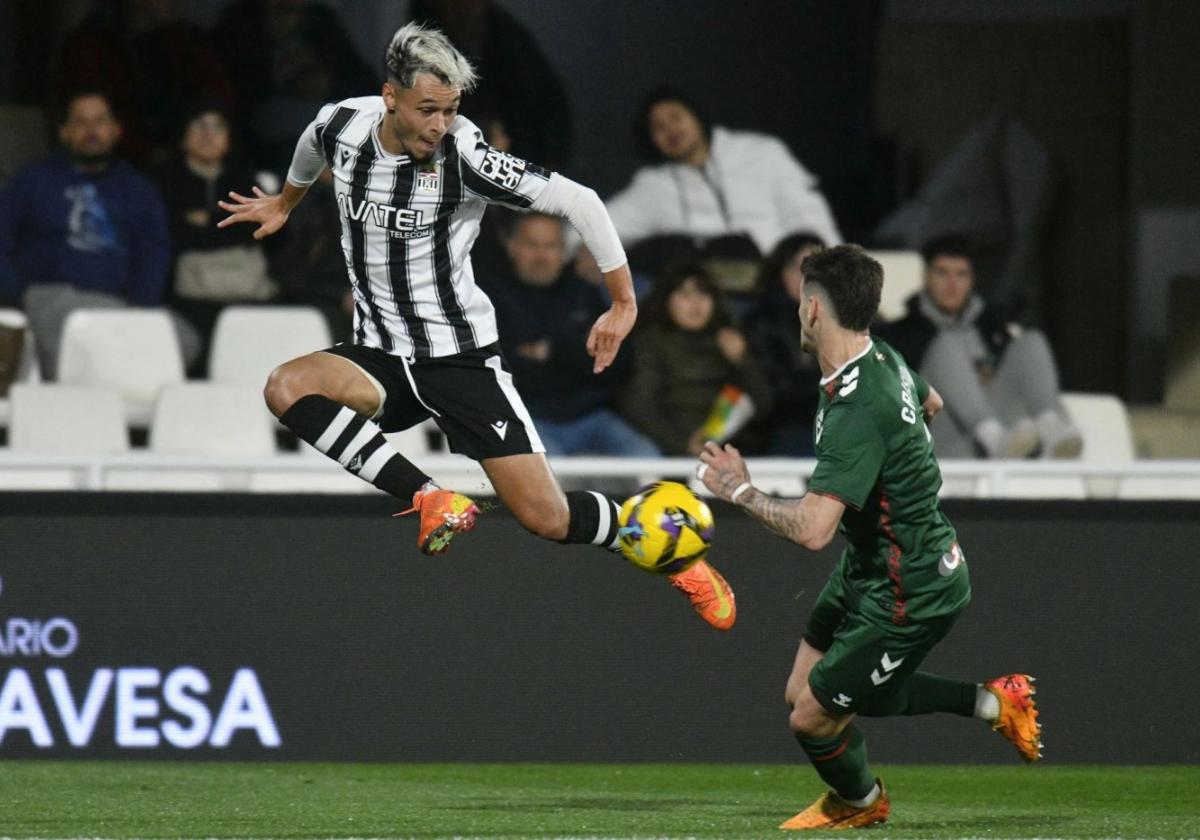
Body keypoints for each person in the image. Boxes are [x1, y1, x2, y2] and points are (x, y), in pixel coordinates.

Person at [216, 22, 735, 630]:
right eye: (428, 109)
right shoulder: (342, 126)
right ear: (390, 98)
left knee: (547, 518)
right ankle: (431, 497)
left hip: (459, 359)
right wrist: (286, 201)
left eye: (451, 109)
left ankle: (673, 558)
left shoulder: (466, 158)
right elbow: (310, 143)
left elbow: (582, 202)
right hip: (382, 355)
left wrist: (623, 302)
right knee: (286, 386)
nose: (440, 124)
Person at [695, 245, 1041, 830]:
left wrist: (738, 492)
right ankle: (993, 702)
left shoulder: (859, 406)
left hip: (912, 589)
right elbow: (929, 403)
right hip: (871, 562)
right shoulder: (878, 356)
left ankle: (860, 802)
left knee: (811, 718)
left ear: (811, 310)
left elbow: (810, 532)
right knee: (809, 690)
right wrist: (898, 464)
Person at [0, 91, 199, 377]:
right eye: (80, 122)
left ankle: (120, 409)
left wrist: (141, 306)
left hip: (118, 304)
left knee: (184, 339)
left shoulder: (137, 188)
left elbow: (152, 250)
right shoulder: (32, 181)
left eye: (100, 121)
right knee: (76, 344)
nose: (91, 131)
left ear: (116, 131)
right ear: (64, 133)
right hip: (51, 296)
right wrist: (19, 294)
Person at [878, 235, 1082, 459]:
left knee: (1031, 342)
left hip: (1006, 436)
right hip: (935, 436)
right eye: (942, 273)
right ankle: (992, 438)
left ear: (972, 280)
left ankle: (1051, 427)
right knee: (946, 344)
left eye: (961, 274)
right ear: (926, 277)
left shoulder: (992, 329)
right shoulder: (901, 333)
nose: (952, 284)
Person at [488, 212, 660, 457]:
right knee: (548, 477)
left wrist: (552, 351)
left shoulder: (584, 292)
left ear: (563, 249)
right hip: (527, 418)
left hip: (593, 416)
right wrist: (577, 353)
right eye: (532, 245)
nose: (541, 256)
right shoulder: (488, 298)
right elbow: (504, 370)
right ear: (511, 245)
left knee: (647, 458)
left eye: (550, 246)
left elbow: (617, 362)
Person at [605, 89, 842, 260]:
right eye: (658, 127)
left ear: (696, 117)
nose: (671, 130)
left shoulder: (762, 152)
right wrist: (582, 249)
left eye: (676, 117)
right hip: (708, 297)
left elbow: (808, 213)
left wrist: (831, 267)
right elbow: (601, 223)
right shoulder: (654, 186)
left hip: (777, 280)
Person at [152, 103, 278, 372]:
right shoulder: (164, 180)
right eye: (198, 126)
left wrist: (204, 222)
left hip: (249, 295)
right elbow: (169, 235)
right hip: (187, 303)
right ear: (183, 136)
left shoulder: (248, 178)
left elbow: (266, 234)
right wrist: (228, 226)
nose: (207, 135)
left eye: (217, 127)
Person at [618, 264, 772, 456]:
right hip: (670, 448)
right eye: (684, 295)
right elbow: (640, 406)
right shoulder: (650, 341)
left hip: (729, 448)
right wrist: (683, 443)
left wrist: (743, 360)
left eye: (703, 294)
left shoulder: (730, 337)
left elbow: (763, 403)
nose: (695, 303)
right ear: (666, 300)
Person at [745, 232, 827, 456]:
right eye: (800, 269)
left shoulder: (849, 319)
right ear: (781, 272)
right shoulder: (761, 323)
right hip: (785, 427)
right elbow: (773, 391)